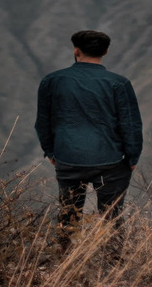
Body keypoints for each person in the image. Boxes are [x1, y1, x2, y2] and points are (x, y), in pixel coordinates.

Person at [34, 29, 142, 253]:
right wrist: (132, 157)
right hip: (111, 160)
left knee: (68, 214)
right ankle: (113, 264)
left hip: (69, 158)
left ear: (76, 50)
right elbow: (130, 124)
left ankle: (63, 261)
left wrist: (52, 153)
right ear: (106, 51)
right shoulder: (118, 83)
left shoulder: (53, 81)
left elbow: (43, 122)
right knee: (111, 216)